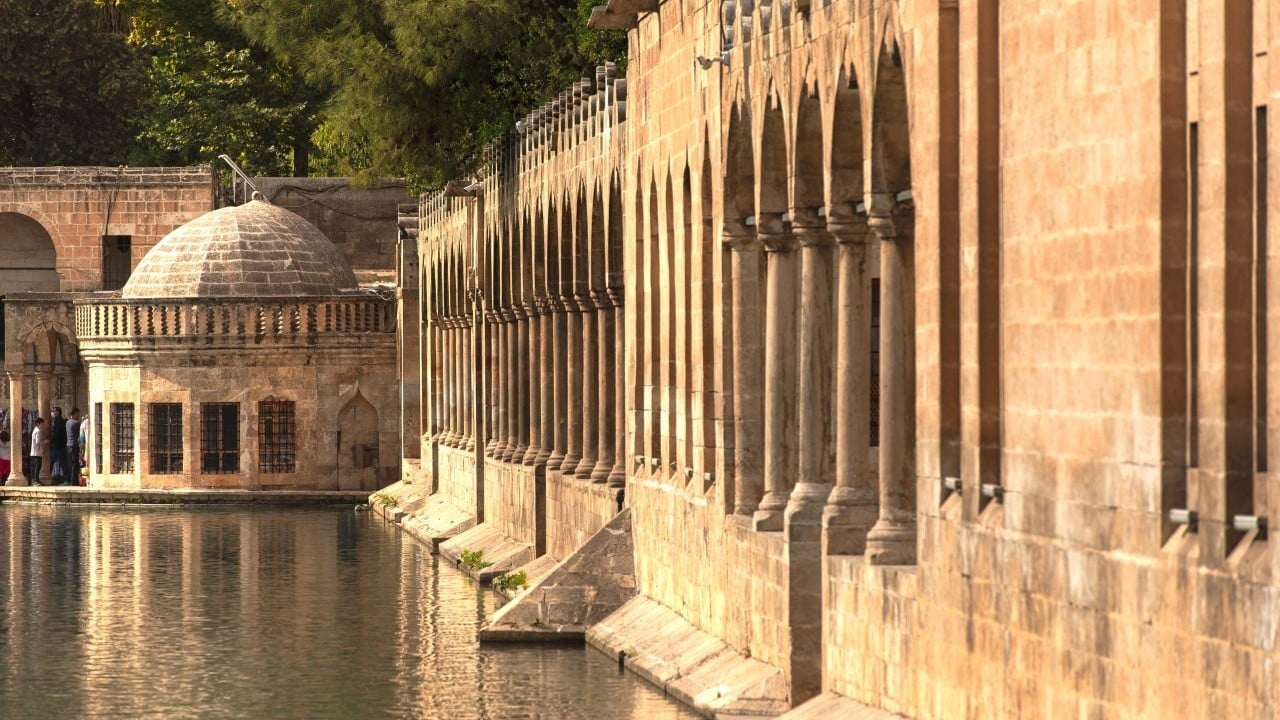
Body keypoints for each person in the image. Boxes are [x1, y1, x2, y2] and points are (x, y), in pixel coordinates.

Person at [49, 406, 67, 485]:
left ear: (59, 412)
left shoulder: (60, 421)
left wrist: (51, 441)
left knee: (63, 464)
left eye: (56, 411)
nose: (55, 412)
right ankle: (48, 477)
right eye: (54, 411)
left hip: (59, 446)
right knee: (52, 462)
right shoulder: (56, 421)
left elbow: (57, 433)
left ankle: (67, 479)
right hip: (57, 446)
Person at [66, 408, 83, 486]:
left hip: (68, 445)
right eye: (78, 414)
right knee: (75, 464)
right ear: (75, 413)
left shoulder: (67, 422)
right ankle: (74, 482)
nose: (79, 415)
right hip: (74, 445)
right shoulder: (77, 423)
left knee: (71, 464)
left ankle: (72, 480)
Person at [28, 417, 46, 486]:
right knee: (37, 467)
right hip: (37, 452)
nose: (43, 425)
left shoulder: (35, 430)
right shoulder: (38, 431)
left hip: (35, 452)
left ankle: (37, 480)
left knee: (37, 466)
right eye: (42, 424)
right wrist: (45, 442)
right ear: (38, 424)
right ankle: (35, 481)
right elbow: (38, 442)